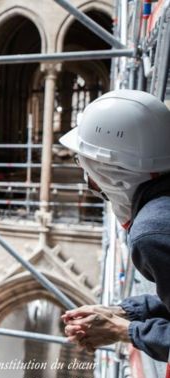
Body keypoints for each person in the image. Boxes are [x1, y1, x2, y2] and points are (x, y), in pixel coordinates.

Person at [57, 90, 170, 364]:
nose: (90, 183)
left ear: (110, 173)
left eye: (87, 168)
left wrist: (123, 330)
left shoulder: (152, 234)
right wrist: (126, 311)